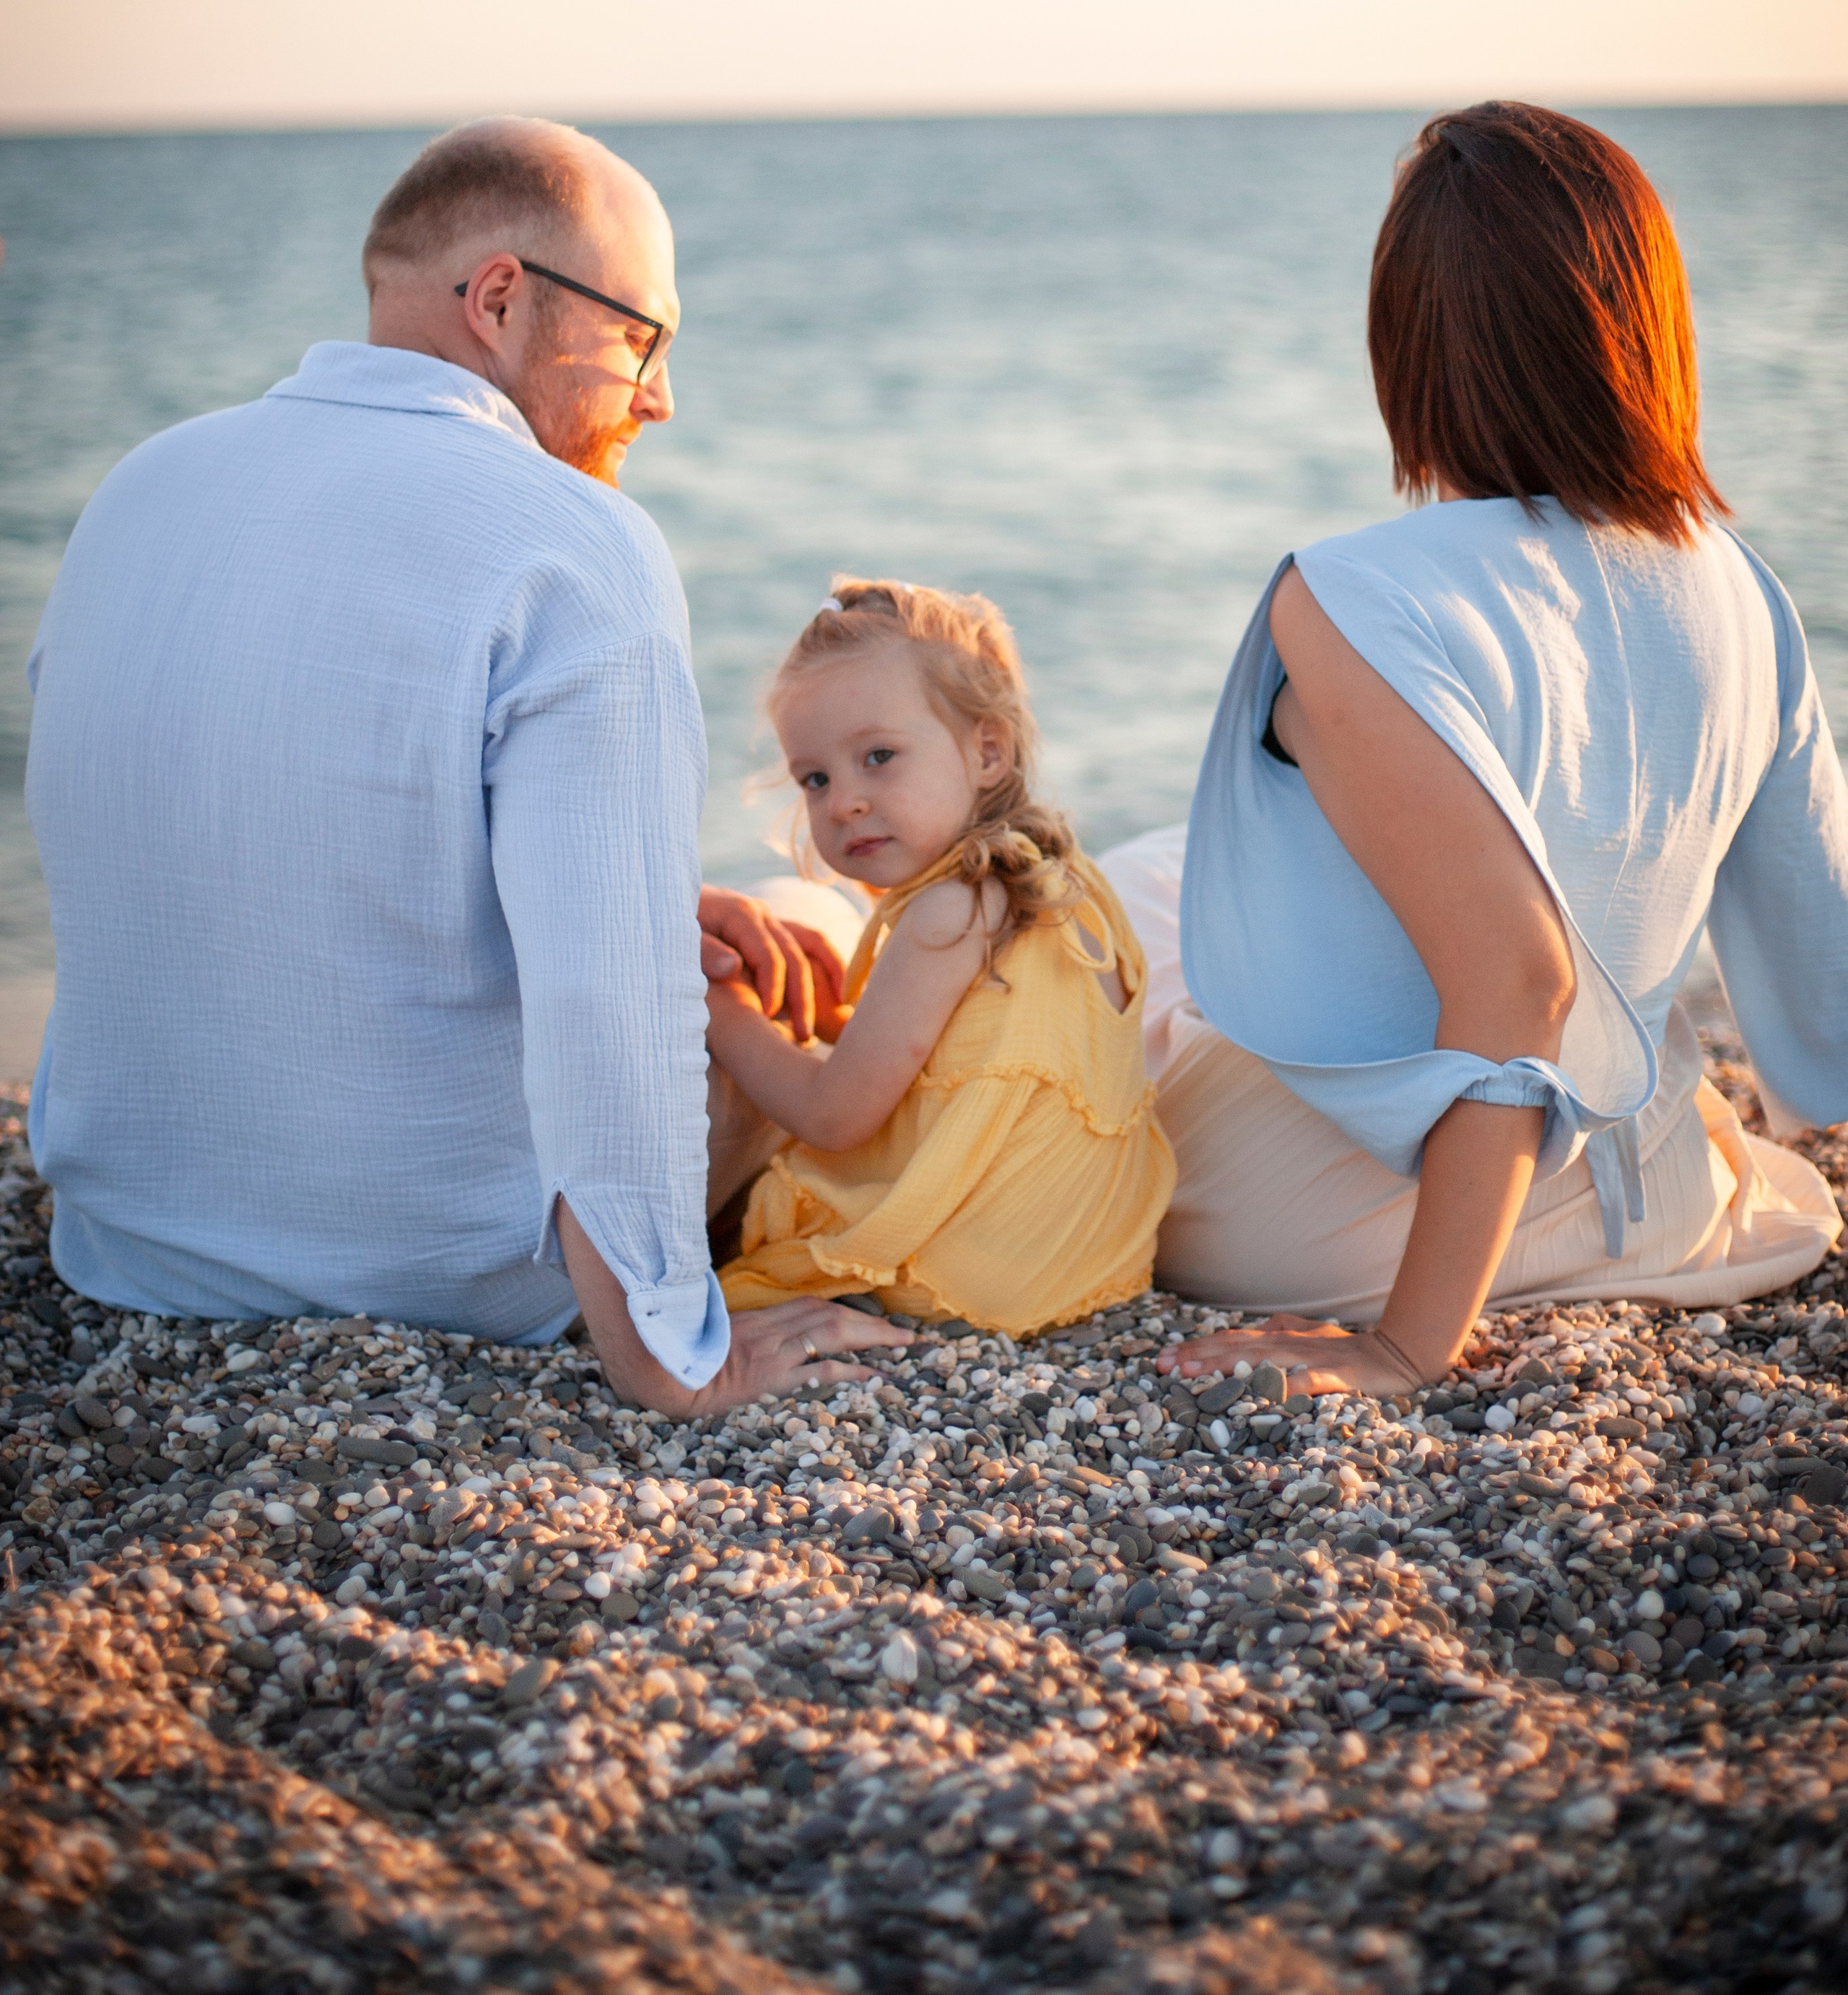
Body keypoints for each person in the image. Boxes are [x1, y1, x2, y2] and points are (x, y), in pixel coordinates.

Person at [25, 118, 900, 1413]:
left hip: (131, 1241)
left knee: (696, 930)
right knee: (808, 920)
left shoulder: (139, 485)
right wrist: (671, 1358)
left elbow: (231, 833)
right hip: (436, 1267)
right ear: (499, 299)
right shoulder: (574, 536)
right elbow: (612, 1009)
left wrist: (658, 917)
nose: (657, 395)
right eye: (639, 339)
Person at [1094, 102, 1848, 1400]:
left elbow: (1519, 979)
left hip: (1340, 1220)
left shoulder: (1352, 597)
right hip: (1650, 1194)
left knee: (1114, 922)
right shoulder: (1741, 587)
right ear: (1650, 328)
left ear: (1411, 343)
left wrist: (1405, 1346)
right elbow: (1821, 983)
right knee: (1165, 867)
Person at [705, 580, 1176, 1333]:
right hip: (1090, 1258)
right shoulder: (1063, 879)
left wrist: (721, 1011)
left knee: (744, 1216)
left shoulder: (946, 912)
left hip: (971, 1277)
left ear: (988, 750)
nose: (844, 801)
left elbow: (833, 1118)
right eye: (815, 777)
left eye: (878, 756)